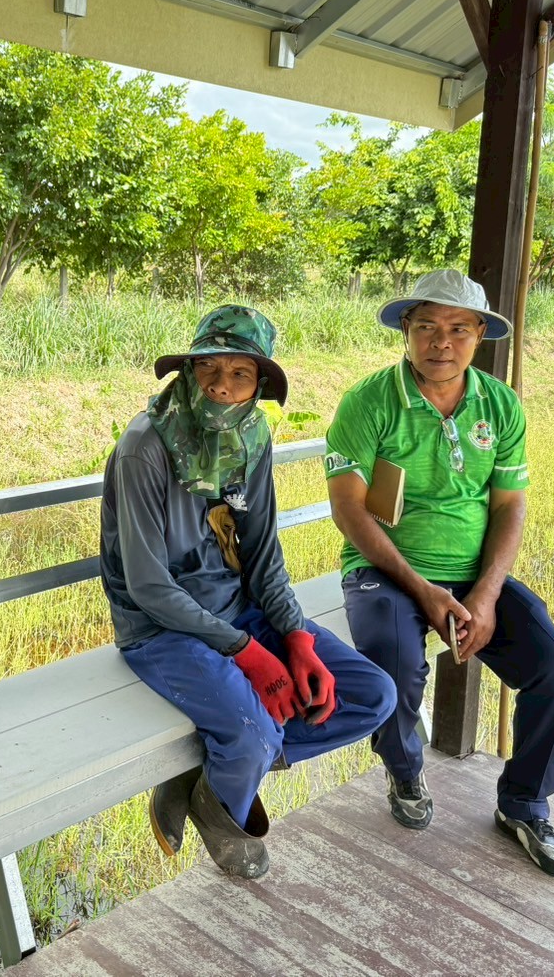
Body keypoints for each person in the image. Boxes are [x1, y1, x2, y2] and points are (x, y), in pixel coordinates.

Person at [100, 305, 396, 879]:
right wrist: (249, 654)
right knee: (253, 734)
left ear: (259, 384)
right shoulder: (145, 447)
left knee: (371, 695)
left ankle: (209, 777)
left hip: (240, 611)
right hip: (160, 628)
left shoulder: (252, 437)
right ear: (187, 371)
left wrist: (295, 637)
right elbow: (148, 585)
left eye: (240, 373)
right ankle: (232, 790)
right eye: (208, 367)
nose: (221, 385)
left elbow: (262, 553)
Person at [323, 269, 554, 877]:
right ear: (406, 330)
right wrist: (422, 589)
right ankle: (405, 771)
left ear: (479, 336)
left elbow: (510, 505)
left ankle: (524, 803)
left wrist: (486, 595)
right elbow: (348, 508)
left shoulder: (500, 404)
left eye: (459, 329)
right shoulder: (369, 402)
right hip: (386, 570)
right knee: (395, 662)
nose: (441, 341)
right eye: (427, 327)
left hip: (472, 575)